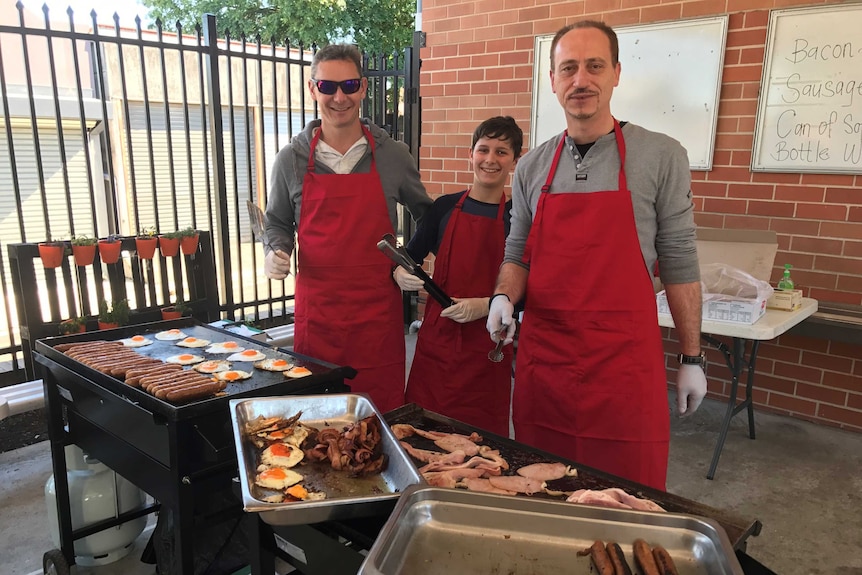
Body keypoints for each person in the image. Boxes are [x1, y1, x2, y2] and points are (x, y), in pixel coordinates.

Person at [486, 20, 707, 490]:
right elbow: (518, 253)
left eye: (593, 66)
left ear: (616, 74)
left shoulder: (661, 155)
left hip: (624, 369)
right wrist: (503, 297)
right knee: (544, 488)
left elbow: (680, 261)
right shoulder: (530, 166)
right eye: (568, 68)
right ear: (552, 80)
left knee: (629, 493)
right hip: (546, 367)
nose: (580, 80)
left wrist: (692, 357)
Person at [263, 43, 432, 414]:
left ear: (363, 88)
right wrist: (275, 251)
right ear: (312, 89)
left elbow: (428, 215)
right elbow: (276, 220)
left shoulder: (393, 155)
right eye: (327, 87)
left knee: (380, 419)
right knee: (318, 418)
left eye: (349, 85)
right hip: (318, 317)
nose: (339, 97)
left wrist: (410, 261)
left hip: (377, 318)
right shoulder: (290, 159)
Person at [395, 116, 523, 436]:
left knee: (482, 443)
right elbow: (410, 256)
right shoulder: (444, 208)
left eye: (501, 152)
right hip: (437, 343)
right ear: (470, 155)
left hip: (488, 346)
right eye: (483, 150)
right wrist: (398, 271)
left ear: (515, 160)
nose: (490, 160)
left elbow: (529, 285)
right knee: (423, 434)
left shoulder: (518, 218)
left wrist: (487, 304)